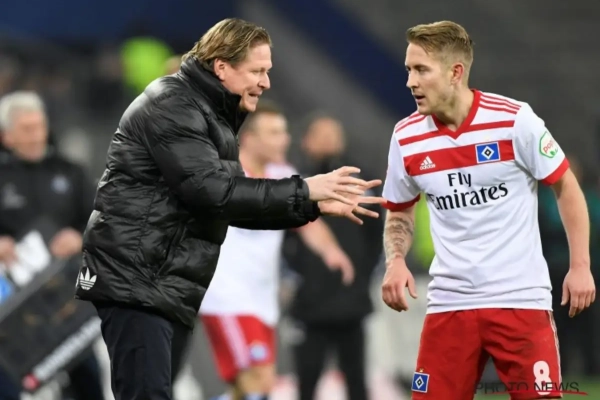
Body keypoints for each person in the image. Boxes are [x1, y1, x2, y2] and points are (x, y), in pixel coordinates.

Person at [74, 18, 383, 400]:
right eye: (257, 71)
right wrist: (305, 190)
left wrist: (309, 204)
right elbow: (215, 193)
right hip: (137, 279)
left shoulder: (212, 118)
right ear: (221, 67)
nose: (266, 83)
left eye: (267, 72)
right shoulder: (174, 105)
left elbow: (234, 208)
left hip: (165, 283)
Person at [379, 21, 595, 400]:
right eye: (409, 70)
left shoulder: (514, 120)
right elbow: (399, 209)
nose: (411, 82)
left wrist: (580, 266)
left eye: (421, 70)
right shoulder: (406, 137)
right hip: (450, 303)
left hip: (520, 300)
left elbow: (567, 187)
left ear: (455, 72)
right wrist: (395, 261)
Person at [199, 101, 355, 400]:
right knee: (260, 379)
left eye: (284, 132)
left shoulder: (284, 174)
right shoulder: (223, 175)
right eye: (273, 133)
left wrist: (331, 251)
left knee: (248, 387)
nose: (284, 140)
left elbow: (306, 222)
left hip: (263, 301)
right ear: (249, 138)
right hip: (226, 297)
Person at [0, 91, 103, 400]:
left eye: (39, 126)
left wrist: (79, 235)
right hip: (13, 303)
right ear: (7, 136)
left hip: (66, 298)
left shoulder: (69, 170)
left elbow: (103, 219)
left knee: (87, 375)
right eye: (26, 129)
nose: (36, 136)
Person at [286, 113, 383, 400]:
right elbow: (284, 237)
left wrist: (363, 274)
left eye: (334, 135)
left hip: (352, 298)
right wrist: (300, 273)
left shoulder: (362, 181)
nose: (330, 141)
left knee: (356, 380)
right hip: (309, 302)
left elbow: (376, 234)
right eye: (322, 135)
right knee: (306, 381)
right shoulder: (294, 182)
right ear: (306, 141)